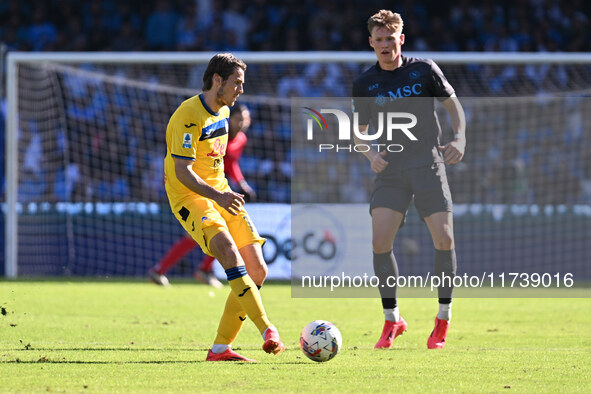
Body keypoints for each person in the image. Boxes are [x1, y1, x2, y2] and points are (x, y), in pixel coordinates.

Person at [352, 10, 466, 350]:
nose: (386, 45)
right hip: (391, 171)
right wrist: (371, 154)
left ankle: (442, 318)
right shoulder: (365, 84)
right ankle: (392, 320)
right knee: (379, 242)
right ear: (371, 43)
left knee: (444, 240)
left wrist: (459, 138)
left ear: (401, 39)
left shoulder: (424, 69)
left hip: (429, 163)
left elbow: (453, 105)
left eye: (391, 38)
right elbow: (358, 132)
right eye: (380, 40)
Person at [161, 53, 284, 361]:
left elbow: (215, 162)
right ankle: (268, 329)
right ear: (217, 79)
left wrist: (226, 191)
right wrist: (218, 197)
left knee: (257, 270)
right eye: (236, 83)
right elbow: (182, 172)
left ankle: (220, 348)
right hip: (190, 197)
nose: (240, 90)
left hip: (221, 192)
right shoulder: (188, 116)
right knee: (227, 250)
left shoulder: (225, 112)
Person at [149, 103, 256, 288]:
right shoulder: (216, 133)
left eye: (246, 119)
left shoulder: (241, 140)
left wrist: (242, 183)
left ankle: (172, 270)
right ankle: (177, 270)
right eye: (239, 119)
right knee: (201, 234)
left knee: (217, 231)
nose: (243, 123)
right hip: (200, 186)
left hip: (219, 188)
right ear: (230, 119)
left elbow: (231, 163)